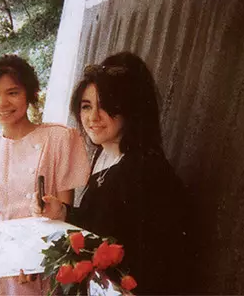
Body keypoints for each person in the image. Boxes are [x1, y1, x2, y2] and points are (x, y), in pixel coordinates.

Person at [38, 52, 190, 295]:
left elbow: (159, 254)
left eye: (105, 107)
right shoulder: (105, 155)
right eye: (86, 106)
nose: (92, 117)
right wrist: (63, 212)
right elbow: (100, 225)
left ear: (128, 110)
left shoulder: (145, 168)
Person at [0, 54, 90, 295]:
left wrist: (34, 259)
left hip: (48, 265)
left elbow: (64, 216)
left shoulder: (58, 139)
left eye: (13, 92)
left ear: (30, 94)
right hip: (3, 268)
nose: (2, 103)